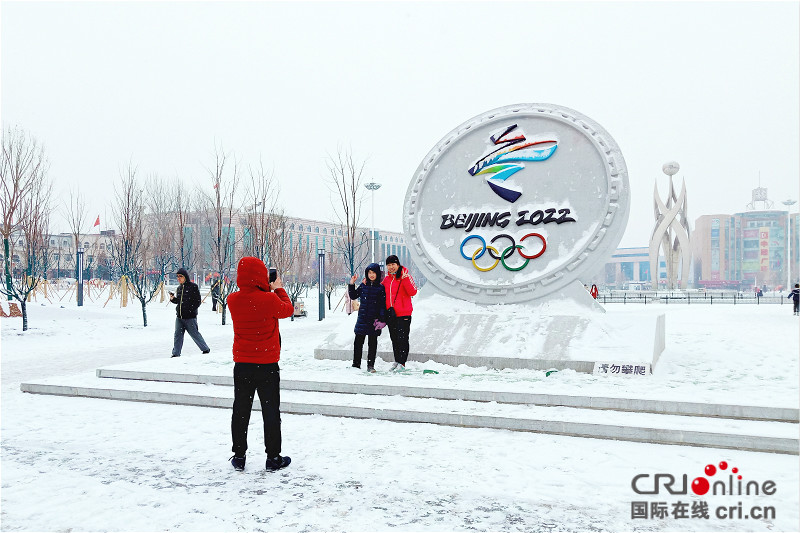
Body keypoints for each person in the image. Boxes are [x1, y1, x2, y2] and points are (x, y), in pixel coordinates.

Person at [226, 257, 294, 472]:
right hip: (267, 364)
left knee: (241, 409)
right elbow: (288, 310)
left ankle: (239, 455)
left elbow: (251, 303)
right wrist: (278, 289)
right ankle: (273, 457)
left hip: (242, 364)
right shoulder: (270, 299)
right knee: (271, 411)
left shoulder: (232, 300)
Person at [348, 263, 386, 373]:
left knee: (372, 344)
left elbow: (382, 305)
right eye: (369, 273)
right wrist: (352, 283)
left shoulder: (380, 288)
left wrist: (382, 320)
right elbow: (353, 295)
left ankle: (370, 365)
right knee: (358, 342)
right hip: (362, 319)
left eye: (373, 272)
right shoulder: (363, 285)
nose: (371, 275)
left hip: (374, 320)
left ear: (377, 273)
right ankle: (356, 364)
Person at [381, 254, 417, 372]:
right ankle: (397, 360)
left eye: (393, 264)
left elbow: (413, 292)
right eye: (389, 265)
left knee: (402, 338)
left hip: (404, 314)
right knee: (394, 338)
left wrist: (405, 279)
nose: (391, 267)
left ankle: (402, 362)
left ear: (398, 265)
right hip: (391, 315)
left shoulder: (405, 276)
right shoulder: (386, 280)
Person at [169, 268, 210, 358]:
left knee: (194, 333)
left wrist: (191, 310)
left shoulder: (193, 287)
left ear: (185, 277)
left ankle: (205, 349)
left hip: (190, 317)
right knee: (177, 335)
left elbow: (197, 301)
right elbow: (179, 301)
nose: (178, 278)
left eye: (180, 276)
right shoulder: (179, 288)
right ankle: (176, 353)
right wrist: (173, 299)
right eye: (177, 277)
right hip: (179, 317)